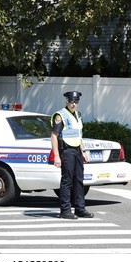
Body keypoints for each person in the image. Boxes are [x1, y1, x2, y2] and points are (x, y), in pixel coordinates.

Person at [51, 91, 94, 219]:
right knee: (67, 181)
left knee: (79, 181)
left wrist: (83, 151)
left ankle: (80, 208)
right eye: (71, 101)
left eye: (76, 102)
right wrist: (57, 156)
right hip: (67, 151)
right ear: (67, 101)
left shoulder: (77, 115)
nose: (74, 104)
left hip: (77, 151)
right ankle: (65, 210)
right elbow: (54, 136)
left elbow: (78, 135)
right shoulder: (60, 115)